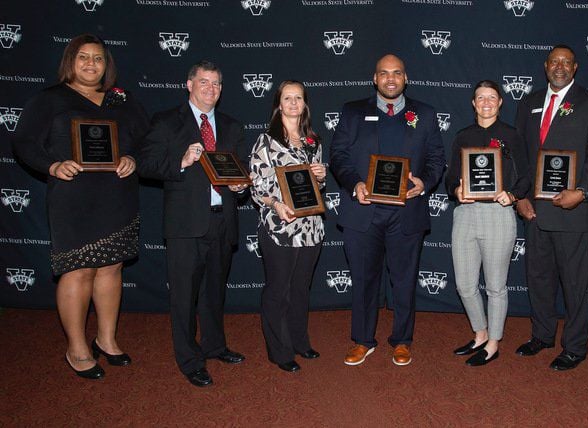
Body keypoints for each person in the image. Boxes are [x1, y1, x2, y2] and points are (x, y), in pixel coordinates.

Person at [12, 34, 147, 380]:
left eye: (98, 58)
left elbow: (146, 140)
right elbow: (24, 142)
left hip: (117, 195)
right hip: (73, 198)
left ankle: (106, 339)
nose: (91, 64)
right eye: (83, 57)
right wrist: (52, 165)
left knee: (111, 268)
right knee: (78, 271)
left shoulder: (122, 100)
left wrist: (133, 157)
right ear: (70, 61)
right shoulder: (50, 99)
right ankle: (77, 346)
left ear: (108, 64)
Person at [137, 60, 248, 387]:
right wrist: (181, 161)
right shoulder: (167, 122)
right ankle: (189, 359)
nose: (210, 89)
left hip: (222, 223)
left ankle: (215, 345)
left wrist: (242, 186)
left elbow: (238, 172)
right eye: (204, 82)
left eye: (216, 83)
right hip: (185, 226)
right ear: (189, 85)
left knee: (215, 292)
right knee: (184, 297)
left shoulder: (232, 127)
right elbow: (145, 163)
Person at [330, 54, 446, 366]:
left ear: (405, 77)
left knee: (404, 281)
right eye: (384, 73)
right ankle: (363, 339)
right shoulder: (353, 112)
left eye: (396, 73)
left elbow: (437, 158)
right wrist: (355, 183)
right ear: (375, 78)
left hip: (407, 210)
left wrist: (425, 182)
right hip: (362, 210)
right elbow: (338, 155)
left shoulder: (424, 113)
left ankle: (402, 340)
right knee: (364, 280)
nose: (390, 79)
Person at [514, 44, 588, 370]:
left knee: (575, 284)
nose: (559, 67)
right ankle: (542, 334)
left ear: (575, 67)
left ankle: (575, 346)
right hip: (535, 211)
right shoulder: (528, 103)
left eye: (566, 62)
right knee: (539, 279)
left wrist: (583, 191)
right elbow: (521, 156)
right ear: (545, 66)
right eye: (554, 61)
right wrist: (520, 195)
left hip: (572, 210)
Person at [444, 80, 529, 366]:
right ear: (473, 103)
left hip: (498, 214)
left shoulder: (512, 135)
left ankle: (494, 342)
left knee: (495, 286)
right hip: (466, 214)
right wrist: (456, 191)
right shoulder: (463, 136)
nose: (486, 102)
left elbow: (526, 176)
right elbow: (450, 177)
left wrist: (513, 194)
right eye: (481, 98)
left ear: (501, 102)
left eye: (492, 97)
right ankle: (480, 333)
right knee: (465, 284)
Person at [249, 81, 326, 373]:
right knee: (278, 289)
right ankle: (279, 351)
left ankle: (299, 341)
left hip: (311, 227)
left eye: (299, 98)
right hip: (280, 226)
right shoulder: (265, 141)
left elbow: (317, 186)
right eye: (287, 98)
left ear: (305, 104)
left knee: (301, 289)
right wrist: (274, 204)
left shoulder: (313, 141)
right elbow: (256, 187)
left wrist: (320, 176)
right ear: (278, 104)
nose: (293, 103)